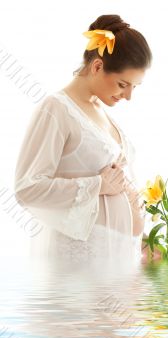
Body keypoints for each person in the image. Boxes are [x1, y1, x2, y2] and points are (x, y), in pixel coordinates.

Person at [14, 14, 153, 268]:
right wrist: (96, 185)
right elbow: (27, 189)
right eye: (123, 84)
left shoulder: (101, 111)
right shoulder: (55, 110)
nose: (129, 96)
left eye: (135, 87)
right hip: (78, 265)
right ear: (97, 67)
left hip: (116, 262)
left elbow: (118, 187)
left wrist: (144, 239)